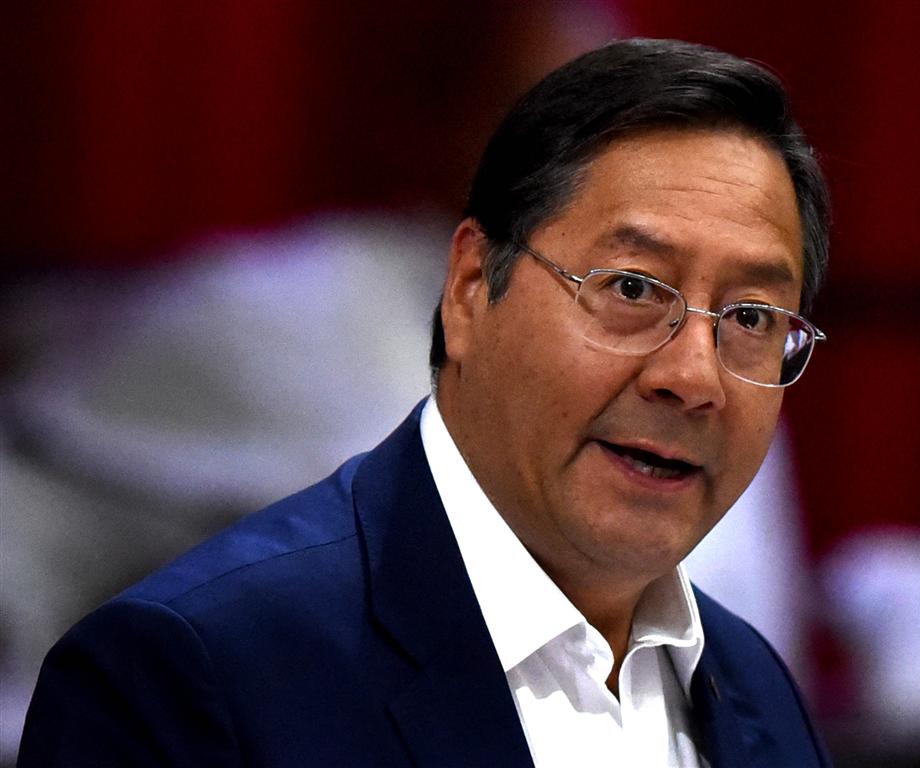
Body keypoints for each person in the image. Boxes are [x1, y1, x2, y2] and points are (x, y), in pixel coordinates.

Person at [18, 38, 832, 767]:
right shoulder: (189, 675)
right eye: (630, 288)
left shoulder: (754, 689)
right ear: (472, 287)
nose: (693, 377)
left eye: (750, 318)